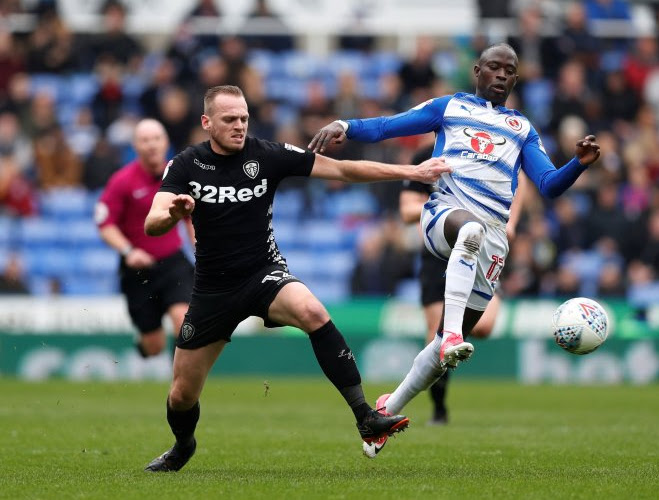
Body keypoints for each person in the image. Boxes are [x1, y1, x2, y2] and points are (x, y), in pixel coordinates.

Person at [309, 43, 600, 457]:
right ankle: (449, 337)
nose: (501, 75)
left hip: (494, 241)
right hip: (444, 215)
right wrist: (345, 125)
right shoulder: (450, 107)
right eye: (494, 68)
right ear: (477, 71)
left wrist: (580, 164)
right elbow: (389, 126)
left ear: (516, 80)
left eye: (509, 71)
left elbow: (549, 186)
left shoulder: (523, 128)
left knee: (445, 350)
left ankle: (385, 412)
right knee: (469, 238)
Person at [143, 85, 451, 472]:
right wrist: (173, 212)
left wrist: (412, 171)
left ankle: (365, 418)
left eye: (243, 118)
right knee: (182, 395)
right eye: (229, 120)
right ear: (207, 123)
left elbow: (343, 169)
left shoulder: (266, 155)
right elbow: (152, 222)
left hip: (263, 273)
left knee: (312, 311)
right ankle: (182, 446)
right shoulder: (186, 165)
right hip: (213, 290)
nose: (239, 126)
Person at [399, 145, 528, 427]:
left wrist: (511, 221)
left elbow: (520, 180)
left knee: (481, 327)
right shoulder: (425, 156)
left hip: (482, 247)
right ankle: (439, 410)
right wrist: (447, 208)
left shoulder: (491, 151)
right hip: (439, 252)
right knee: (438, 335)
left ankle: (491, 295)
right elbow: (407, 210)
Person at [96, 119, 194, 358]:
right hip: (138, 270)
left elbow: (191, 218)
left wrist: (201, 248)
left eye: (156, 139)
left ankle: (182, 386)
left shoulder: (179, 176)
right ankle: (144, 341)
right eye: (145, 140)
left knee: (183, 324)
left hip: (173, 263)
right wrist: (129, 251)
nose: (151, 145)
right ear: (135, 146)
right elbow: (105, 224)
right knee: (154, 346)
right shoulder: (122, 181)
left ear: (166, 143)